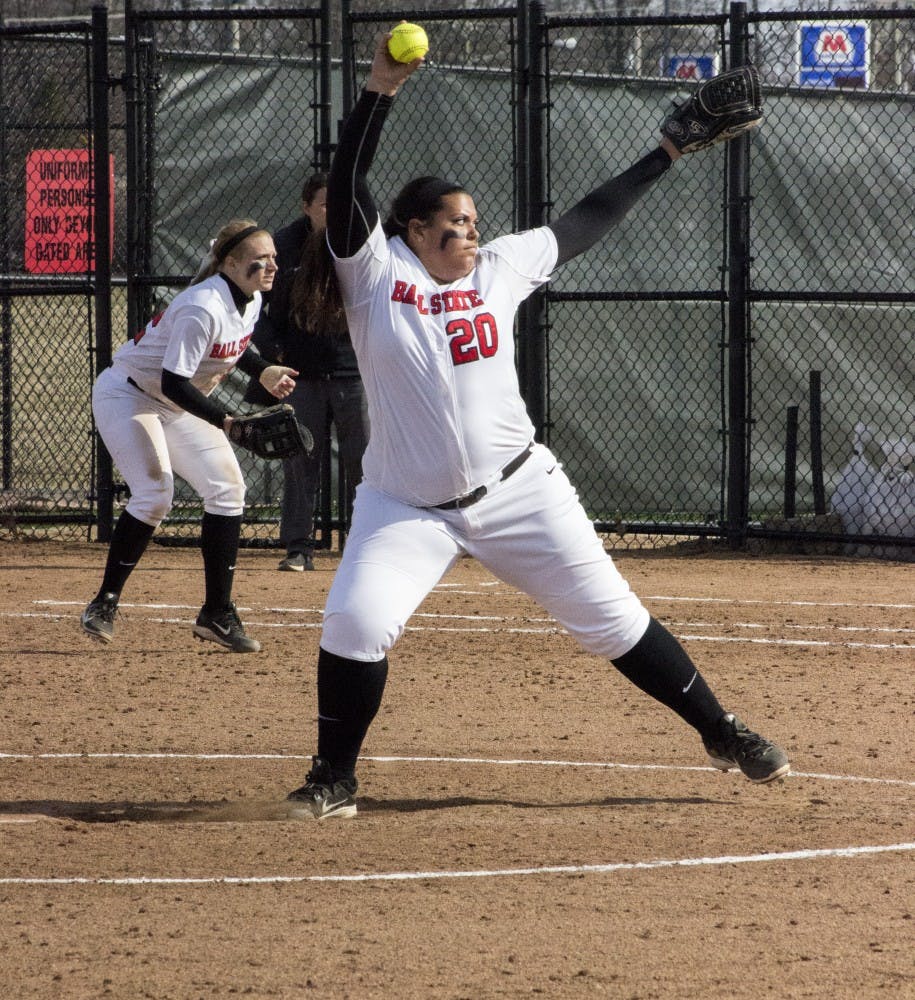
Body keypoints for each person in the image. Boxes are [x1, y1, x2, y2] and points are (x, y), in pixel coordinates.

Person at [285, 33, 789, 818]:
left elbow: (589, 218)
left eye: (474, 219)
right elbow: (348, 183)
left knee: (613, 619)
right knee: (356, 620)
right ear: (414, 230)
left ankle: (719, 730)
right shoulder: (374, 274)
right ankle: (333, 777)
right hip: (405, 507)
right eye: (453, 223)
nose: (470, 232)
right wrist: (378, 89)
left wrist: (666, 151)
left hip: (520, 492)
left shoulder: (499, 269)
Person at [80, 219, 298, 652]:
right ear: (231, 263)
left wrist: (263, 369)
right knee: (155, 493)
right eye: (261, 259)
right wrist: (229, 422)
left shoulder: (249, 299)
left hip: (179, 403)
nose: (272, 265)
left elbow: (236, 345)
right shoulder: (202, 306)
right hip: (131, 396)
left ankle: (216, 612)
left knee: (228, 489)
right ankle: (105, 601)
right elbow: (174, 380)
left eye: (274, 257)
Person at [251, 173, 368, 572]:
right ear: (305, 207)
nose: (333, 213)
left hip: (354, 372)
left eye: (339, 205)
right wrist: (275, 353)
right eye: (324, 205)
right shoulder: (283, 246)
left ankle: (364, 543)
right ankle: (299, 547)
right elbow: (255, 309)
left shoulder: (360, 244)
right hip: (301, 374)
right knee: (300, 457)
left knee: (363, 460)